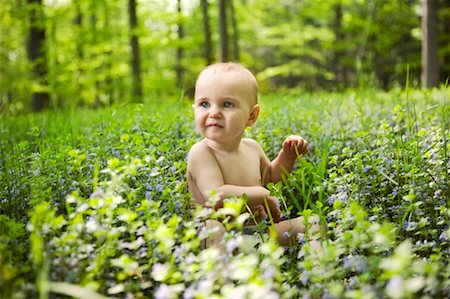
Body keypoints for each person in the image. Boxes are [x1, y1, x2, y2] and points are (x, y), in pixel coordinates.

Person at [187, 62, 324, 250]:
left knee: (314, 222)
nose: (214, 113)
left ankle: (320, 274)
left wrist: (288, 155)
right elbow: (216, 195)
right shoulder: (201, 152)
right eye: (204, 104)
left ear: (251, 116)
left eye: (227, 104)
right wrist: (264, 196)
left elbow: (272, 179)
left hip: (258, 233)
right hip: (221, 240)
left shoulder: (252, 148)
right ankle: (221, 279)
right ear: (194, 109)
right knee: (213, 227)